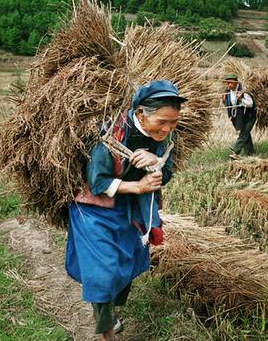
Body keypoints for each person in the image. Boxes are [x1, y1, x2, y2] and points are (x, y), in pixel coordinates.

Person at [65, 79, 187, 341]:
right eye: (162, 122)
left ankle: (109, 310)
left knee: (126, 265)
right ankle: (106, 333)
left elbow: (165, 173)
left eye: (173, 122)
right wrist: (139, 186)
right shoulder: (110, 133)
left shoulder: (167, 136)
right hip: (93, 211)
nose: (168, 128)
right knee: (102, 274)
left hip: (130, 211)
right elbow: (97, 183)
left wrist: (156, 163)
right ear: (142, 113)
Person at [222, 72, 256, 159]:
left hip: (249, 116)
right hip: (238, 117)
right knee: (245, 134)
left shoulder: (243, 91)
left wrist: (241, 99)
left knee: (244, 134)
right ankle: (250, 154)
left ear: (236, 82)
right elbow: (229, 105)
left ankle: (236, 151)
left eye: (231, 83)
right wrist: (224, 101)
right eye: (228, 83)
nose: (229, 85)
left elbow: (250, 104)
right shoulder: (227, 92)